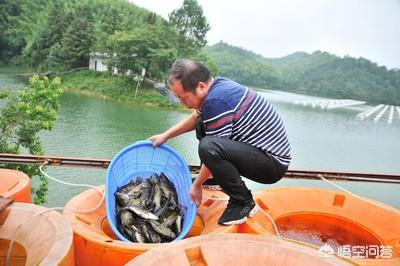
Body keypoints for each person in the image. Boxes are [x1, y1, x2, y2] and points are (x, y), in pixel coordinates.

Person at [149, 59, 291, 225]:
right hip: (258, 153)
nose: (181, 102)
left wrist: (196, 185)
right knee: (202, 124)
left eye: (183, 97)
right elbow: (196, 117)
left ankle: (243, 202)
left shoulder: (217, 101)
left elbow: (213, 149)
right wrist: (165, 135)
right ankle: (216, 178)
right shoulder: (217, 86)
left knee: (209, 146)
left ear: (201, 86)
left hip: (272, 164)